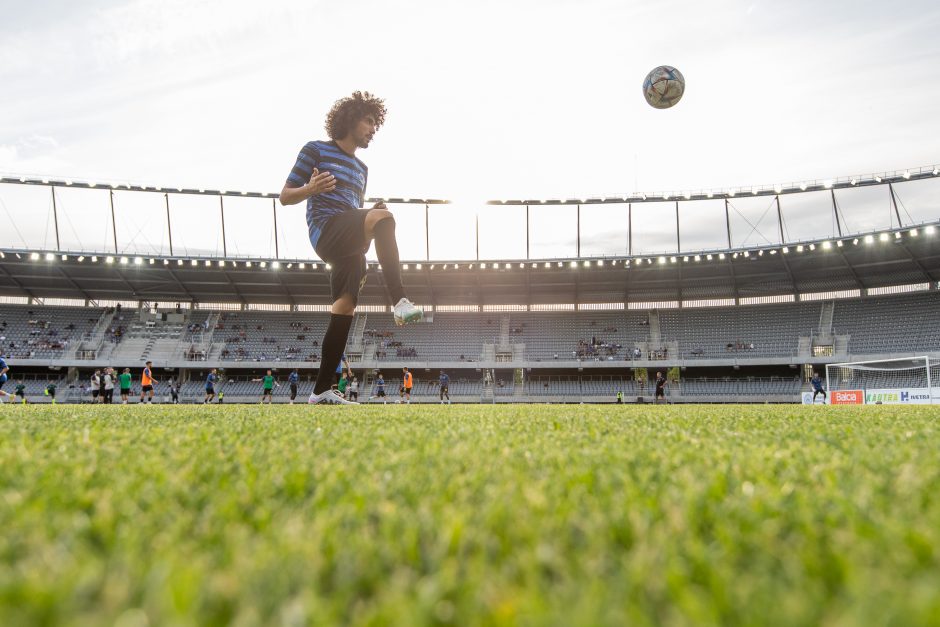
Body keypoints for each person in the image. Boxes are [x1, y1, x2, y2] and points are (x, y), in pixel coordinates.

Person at [280, 91, 422, 405]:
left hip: (348, 242)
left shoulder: (362, 169)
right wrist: (311, 188)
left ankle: (320, 390)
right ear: (350, 119)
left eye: (376, 124)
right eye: (369, 121)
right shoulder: (315, 150)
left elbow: (353, 211)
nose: (373, 128)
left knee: (344, 308)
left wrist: (372, 216)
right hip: (325, 229)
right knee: (384, 218)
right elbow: (286, 195)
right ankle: (399, 300)